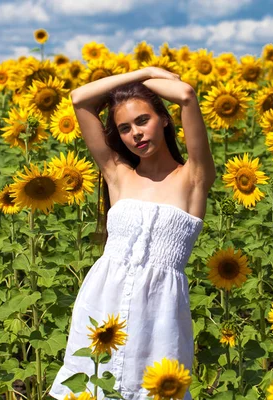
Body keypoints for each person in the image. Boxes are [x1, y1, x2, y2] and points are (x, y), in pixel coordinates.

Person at [48, 66, 216, 400]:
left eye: (143, 120)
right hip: (101, 307)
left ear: (164, 119)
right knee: (90, 389)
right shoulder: (117, 175)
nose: (135, 134)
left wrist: (144, 82)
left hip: (159, 317)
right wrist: (143, 72)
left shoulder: (194, 178)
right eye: (124, 128)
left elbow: (186, 95)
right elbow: (80, 99)